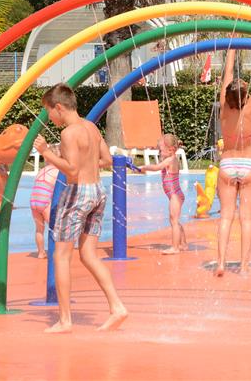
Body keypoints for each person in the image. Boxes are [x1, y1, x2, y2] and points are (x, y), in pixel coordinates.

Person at [33, 84, 126, 333]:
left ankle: (65, 320)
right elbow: (106, 160)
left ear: (59, 107)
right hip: (97, 191)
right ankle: (117, 307)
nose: (49, 118)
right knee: (88, 255)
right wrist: (84, 162)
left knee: (61, 256)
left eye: (48, 112)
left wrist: (46, 152)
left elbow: (72, 170)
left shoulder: (68, 134)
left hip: (77, 193)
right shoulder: (91, 127)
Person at [215, 47, 251, 277]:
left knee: (225, 217)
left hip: (227, 165)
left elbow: (227, 72)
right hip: (248, 164)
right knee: (246, 219)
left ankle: (221, 263)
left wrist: (232, 48)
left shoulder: (223, 107)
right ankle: (244, 267)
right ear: (245, 96)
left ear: (227, 95)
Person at [136, 133, 188, 254]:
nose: (159, 152)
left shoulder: (171, 160)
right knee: (175, 220)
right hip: (175, 195)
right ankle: (183, 244)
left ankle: (175, 247)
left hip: (175, 195)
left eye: (161, 150)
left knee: (174, 221)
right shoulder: (170, 159)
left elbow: (157, 167)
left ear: (171, 150)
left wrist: (144, 167)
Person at [29, 162, 60, 259]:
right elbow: (62, 189)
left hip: (34, 201)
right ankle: (57, 252)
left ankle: (41, 252)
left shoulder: (42, 171)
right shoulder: (57, 172)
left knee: (39, 229)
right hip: (44, 202)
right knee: (55, 228)